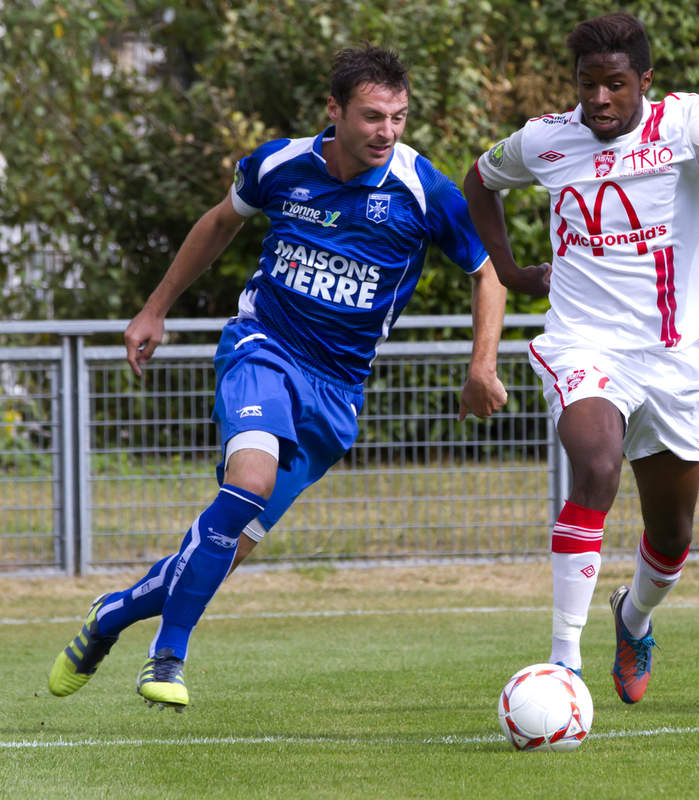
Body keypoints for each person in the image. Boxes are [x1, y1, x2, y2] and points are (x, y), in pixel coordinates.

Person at [47, 45, 510, 710]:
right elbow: (219, 222)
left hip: (337, 392)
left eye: (399, 117)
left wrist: (481, 364)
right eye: (373, 116)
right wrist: (154, 310)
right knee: (249, 484)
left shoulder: (423, 189)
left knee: (222, 551)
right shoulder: (278, 164)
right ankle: (168, 656)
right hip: (262, 348)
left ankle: (110, 616)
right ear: (335, 110)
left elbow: (487, 272)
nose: (387, 131)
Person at [463, 13, 699, 704]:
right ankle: (564, 666)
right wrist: (508, 267)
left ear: (644, 81)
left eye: (615, 85)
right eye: (587, 84)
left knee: (672, 537)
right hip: (583, 342)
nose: (599, 99)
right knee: (595, 463)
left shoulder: (686, 123)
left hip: (671, 355)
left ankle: (635, 616)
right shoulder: (544, 139)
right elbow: (478, 181)